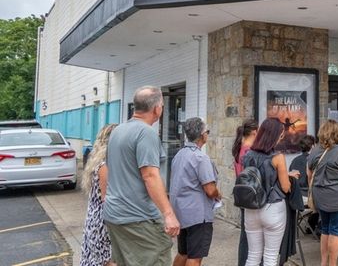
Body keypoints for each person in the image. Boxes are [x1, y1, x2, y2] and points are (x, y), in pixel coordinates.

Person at [104, 86, 180, 266]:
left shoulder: (118, 131)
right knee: (157, 256)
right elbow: (150, 175)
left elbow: (109, 168)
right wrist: (168, 214)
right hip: (137, 217)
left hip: (115, 215)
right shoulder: (146, 133)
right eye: (161, 104)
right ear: (157, 108)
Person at [242, 118, 300, 266]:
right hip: (272, 208)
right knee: (270, 256)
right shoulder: (278, 157)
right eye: (281, 134)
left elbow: (256, 177)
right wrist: (287, 176)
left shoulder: (248, 155)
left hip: (251, 208)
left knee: (253, 255)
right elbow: (286, 187)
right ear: (277, 135)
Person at [170, 118, 220, 266]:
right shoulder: (200, 157)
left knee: (183, 252)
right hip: (198, 215)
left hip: (182, 212)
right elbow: (210, 190)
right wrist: (219, 194)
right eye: (207, 132)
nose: (207, 135)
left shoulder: (179, 155)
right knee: (195, 257)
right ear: (202, 135)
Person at [307, 121, 338, 266]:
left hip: (320, 197)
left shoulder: (315, 151)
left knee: (325, 228)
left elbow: (309, 175)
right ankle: (332, 264)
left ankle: (324, 263)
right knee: (336, 231)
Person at [80, 124, 118, 266]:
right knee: (107, 262)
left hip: (95, 222)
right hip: (102, 225)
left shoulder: (98, 163)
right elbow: (106, 200)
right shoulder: (105, 166)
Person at [232, 118, 259, 266]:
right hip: (250, 196)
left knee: (245, 233)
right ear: (254, 132)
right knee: (250, 236)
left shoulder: (239, 148)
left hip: (242, 195)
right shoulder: (249, 152)